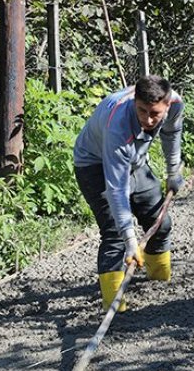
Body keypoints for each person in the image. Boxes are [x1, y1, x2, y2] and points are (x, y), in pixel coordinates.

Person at [73, 75, 184, 311]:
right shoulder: (118, 126)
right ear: (134, 101)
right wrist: (131, 240)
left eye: (155, 113)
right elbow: (116, 188)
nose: (148, 119)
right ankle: (114, 305)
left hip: (135, 162)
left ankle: (158, 277)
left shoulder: (175, 104)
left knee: (160, 222)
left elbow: (172, 133)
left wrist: (173, 170)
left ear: (167, 104)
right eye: (142, 111)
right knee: (114, 234)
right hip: (93, 164)